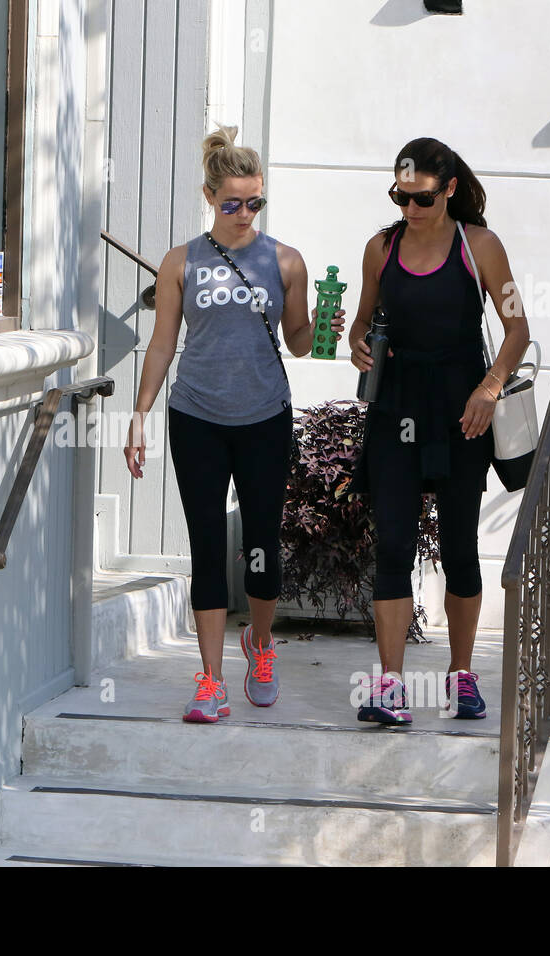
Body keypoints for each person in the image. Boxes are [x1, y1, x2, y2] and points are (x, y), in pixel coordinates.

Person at [123, 125, 345, 723]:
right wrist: (140, 413)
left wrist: (325, 326)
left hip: (263, 418)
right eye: (231, 203)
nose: (244, 214)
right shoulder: (181, 262)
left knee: (261, 546)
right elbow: (163, 342)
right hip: (195, 414)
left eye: (255, 202)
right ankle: (211, 681)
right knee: (204, 546)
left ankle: (262, 647)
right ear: (209, 195)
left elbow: (298, 343)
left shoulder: (285, 260)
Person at [347, 137, 531, 725]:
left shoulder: (482, 247)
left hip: (462, 408)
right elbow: (362, 320)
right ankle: (392, 686)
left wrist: (489, 387)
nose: (409, 208)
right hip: (397, 404)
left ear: (449, 189)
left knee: (460, 548)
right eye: (400, 196)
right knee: (393, 544)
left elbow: (517, 329)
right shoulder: (381, 247)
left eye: (421, 198)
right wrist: (357, 346)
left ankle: (462, 676)